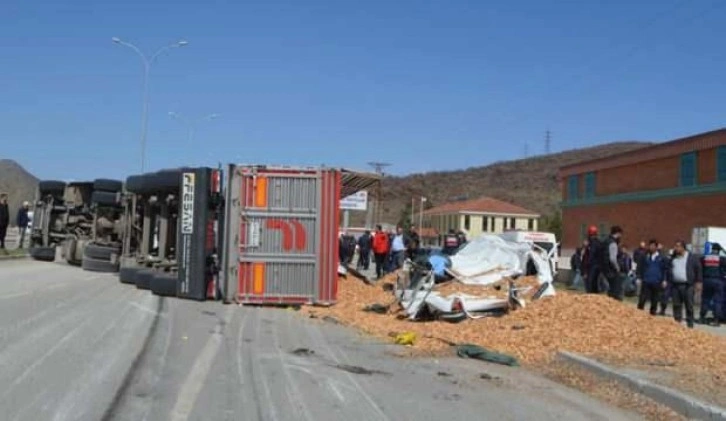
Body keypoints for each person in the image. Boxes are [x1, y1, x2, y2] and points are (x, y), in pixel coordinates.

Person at [666, 240, 702, 328]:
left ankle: (690, 324)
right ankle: (677, 323)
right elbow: (668, 269)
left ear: (683, 248)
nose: (676, 248)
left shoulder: (691, 257)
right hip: (676, 285)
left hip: (688, 285)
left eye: (678, 246)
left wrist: (699, 282)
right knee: (676, 305)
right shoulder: (673, 258)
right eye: (675, 246)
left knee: (689, 305)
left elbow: (698, 269)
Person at [636, 239, 668, 315]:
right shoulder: (644, 256)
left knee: (655, 300)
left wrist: (664, 279)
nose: (651, 247)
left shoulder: (662, 257)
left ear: (657, 247)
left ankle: (652, 314)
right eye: (650, 246)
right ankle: (638, 313)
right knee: (642, 299)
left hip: (656, 281)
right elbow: (639, 267)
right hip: (646, 280)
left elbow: (665, 269)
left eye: (653, 246)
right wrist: (639, 277)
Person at [699, 242, 725, 327]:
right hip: (718, 281)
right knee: (718, 301)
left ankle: (702, 318)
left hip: (706, 280)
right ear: (718, 251)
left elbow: (700, 267)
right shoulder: (721, 259)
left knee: (705, 299)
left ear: (712, 249)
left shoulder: (705, 258)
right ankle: (716, 320)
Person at [601, 226, 625, 301]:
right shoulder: (613, 243)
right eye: (620, 235)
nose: (620, 237)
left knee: (608, 289)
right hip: (612, 270)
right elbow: (613, 259)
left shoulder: (605, 241)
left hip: (604, 268)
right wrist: (617, 268)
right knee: (615, 291)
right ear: (617, 233)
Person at [583, 225, 603, 294]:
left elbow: (590, 255)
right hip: (598, 266)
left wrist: (586, 266)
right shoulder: (599, 242)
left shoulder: (592, 243)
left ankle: (591, 296)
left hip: (592, 266)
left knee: (590, 284)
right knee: (595, 284)